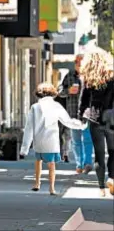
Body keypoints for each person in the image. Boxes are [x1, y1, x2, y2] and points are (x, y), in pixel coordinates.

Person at [20, 83, 87, 195]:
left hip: (39, 141)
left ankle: (37, 183)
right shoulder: (56, 106)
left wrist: (24, 149)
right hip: (51, 141)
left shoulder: (35, 107)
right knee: (51, 165)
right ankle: (52, 188)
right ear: (53, 94)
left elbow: (29, 128)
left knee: (38, 162)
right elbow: (67, 121)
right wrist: (81, 125)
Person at [79, 51, 114, 197]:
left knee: (99, 155)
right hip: (112, 118)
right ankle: (112, 178)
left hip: (95, 119)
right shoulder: (112, 77)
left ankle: (101, 188)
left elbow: (84, 100)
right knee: (113, 152)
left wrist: (81, 116)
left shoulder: (89, 79)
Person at [58, 55, 93, 174]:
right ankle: (79, 164)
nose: (79, 65)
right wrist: (68, 91)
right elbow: (59, 91)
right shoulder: (69, 76)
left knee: (88, 139)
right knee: (76, 140)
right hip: (72, 113)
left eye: (81, 63)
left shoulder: (91, 76)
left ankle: (88, 163)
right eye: (77, 63)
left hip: (88, 113)